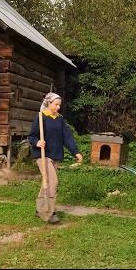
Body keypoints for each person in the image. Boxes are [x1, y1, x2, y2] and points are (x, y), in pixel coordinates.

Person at [28, 92, 83, 224]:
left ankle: (40, 209)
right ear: (48, 103)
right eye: (56, 104)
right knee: (53, 182)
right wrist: (37, 142)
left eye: (59, 105)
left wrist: (75, 152)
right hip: (43, 155)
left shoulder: (59, 119)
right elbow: (32, 136)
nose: (58, 107)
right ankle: (49, 212)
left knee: (46, 182)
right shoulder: (41, 117)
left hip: (55, 155)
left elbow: (67, 137)